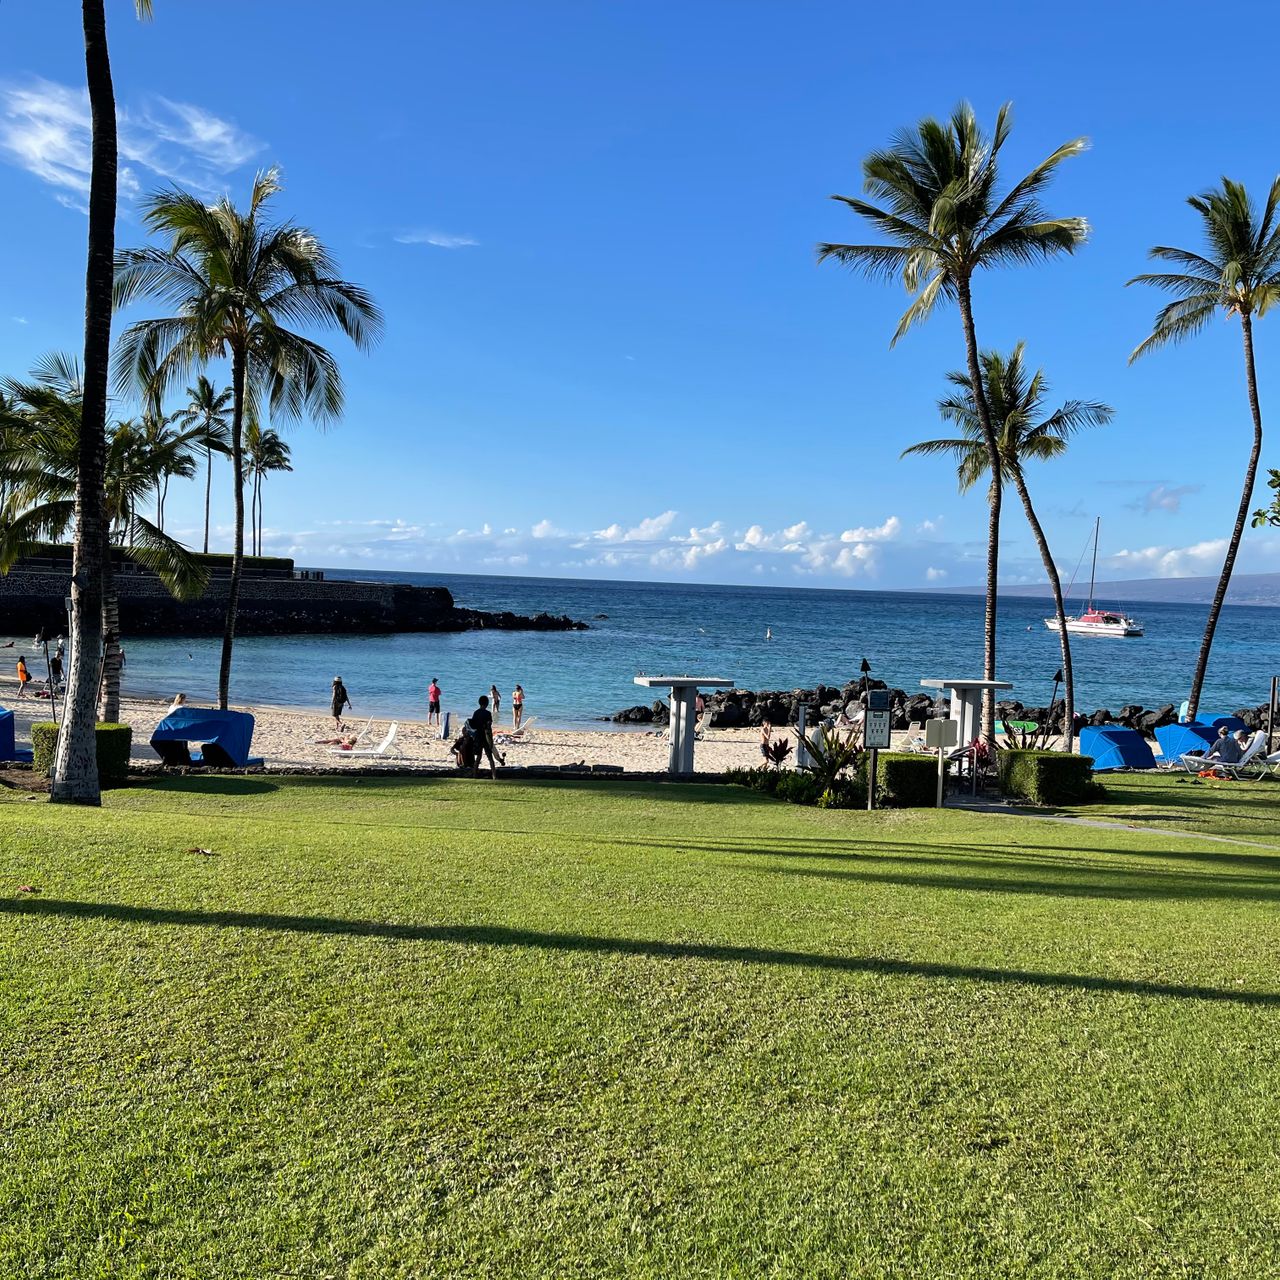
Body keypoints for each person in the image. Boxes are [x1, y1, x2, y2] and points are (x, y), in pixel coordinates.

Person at [467, 694, 499, 779]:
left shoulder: (476, 713)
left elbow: (473, 724)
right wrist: (491, 739)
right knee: (490, 757)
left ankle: (474, 775)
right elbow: (489, 726)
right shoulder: (488, 713)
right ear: (487, 703)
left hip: (478, 736)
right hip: (485, 736)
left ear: (479, 703)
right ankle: (494, 775)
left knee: (478, 757)